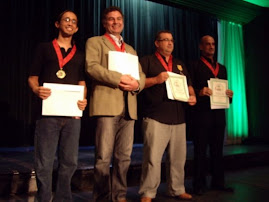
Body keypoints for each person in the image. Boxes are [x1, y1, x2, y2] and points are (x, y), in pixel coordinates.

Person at [85, 6, 145, 202]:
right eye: (111, 19)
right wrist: (119, 78)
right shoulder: (95, 42)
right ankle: (102, 198)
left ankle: (119, 197)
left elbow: (141, 75)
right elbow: (92, 67)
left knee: (124, 158)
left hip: (129, 108)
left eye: (119, 19)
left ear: (123, 22)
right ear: (104, 22)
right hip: (106, 105)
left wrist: (137, 84)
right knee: (103, 158)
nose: (115, 22)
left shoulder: (130, 49)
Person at [28, 10, 87, 202]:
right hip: (48, 115)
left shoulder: (80, 54)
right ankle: (44, 199)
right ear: (57, 24)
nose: (69, 23)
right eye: (66, 19)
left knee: (69, 162)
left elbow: (82, 83)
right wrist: (37, 90)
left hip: (72, 116)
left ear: (77, 28)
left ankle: (63, 198)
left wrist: (83, 101)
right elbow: (32, 77)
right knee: (44, 162)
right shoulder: (44, 48)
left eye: (73, 21)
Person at [138, 30, 196, 202]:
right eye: (165, 40)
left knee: (178, 158)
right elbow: (138, 84)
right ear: (157, 43)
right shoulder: (147, 60)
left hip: (178, 117)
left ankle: (177, 189)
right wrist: (156, 79)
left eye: (172, 40)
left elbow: (189, 85)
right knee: (152, 159)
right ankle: (148, 193)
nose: (170, 43)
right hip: (155, 116)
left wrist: (192, 96)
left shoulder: (179, 63)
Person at [189, 35, 234, 195]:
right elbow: (190, 89)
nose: (211, 47)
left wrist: (229, 95)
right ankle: (198, 185)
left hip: (218, 115)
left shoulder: (222, 68)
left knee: (217, 151)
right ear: (201, 46)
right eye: (207, 44)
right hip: (201, 115)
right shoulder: (194, 65)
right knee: (200, 151)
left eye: (213, 44)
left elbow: (225, 92)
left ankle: (218, 182)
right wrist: (199, 92)